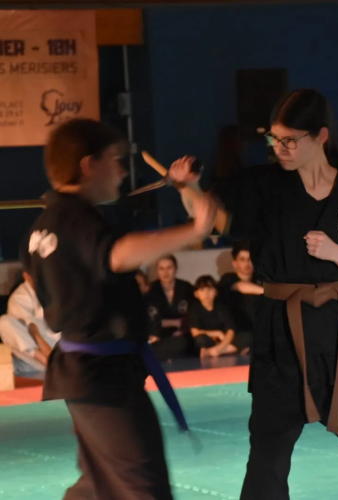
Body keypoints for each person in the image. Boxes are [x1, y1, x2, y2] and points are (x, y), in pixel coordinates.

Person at [170, 89, 338, 500]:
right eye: (274, 138)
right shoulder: (263, 186)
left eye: (289, 140)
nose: (279, 148)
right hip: (282, 334)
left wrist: (337, 253)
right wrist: (189, 188)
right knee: (266, 464)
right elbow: (214, 220)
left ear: (321, 136)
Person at [21, 118, 216, 500]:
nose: (123, 172)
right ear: (89, 165)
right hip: (102, 377)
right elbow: (117, 254)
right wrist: (194, 230)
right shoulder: (77, 218)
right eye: (115, 160)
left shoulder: (42, 226)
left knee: (98, 486)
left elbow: (44, 277)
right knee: (143, 489)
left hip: (86, 372)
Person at [0, 269, 60, 374]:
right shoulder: (18, 298)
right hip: (36, 359)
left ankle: (56, 364)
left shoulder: (60, 290)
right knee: (4, 323)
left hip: (63, 353)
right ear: (26, 276)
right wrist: (48, 356)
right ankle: (50, 363)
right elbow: (32, 331)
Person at [146, 255, 194, 361]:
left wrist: (182, 325)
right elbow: (150, 319)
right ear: (157, 271)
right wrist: (175, 322)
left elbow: (195, 314)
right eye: (161, 269)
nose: (165, 272)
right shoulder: (151, 290)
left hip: (183, 335)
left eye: (169, 268)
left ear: (175, 269)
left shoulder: (186, 288)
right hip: (159, 336)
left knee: (184, 342)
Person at [218, 240, 262, 354]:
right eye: (242, 259)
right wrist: (269, 292)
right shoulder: (228, 279)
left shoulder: (261, 280)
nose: (247, 263)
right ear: (235, 263)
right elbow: (241, 287)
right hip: (237, 331)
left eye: (250, 259)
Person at [188, 275, 238, 358]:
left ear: (216, 292)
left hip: (223, 340)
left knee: (245, 338)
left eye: (210, 289)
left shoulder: (222, 308)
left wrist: (220, 348)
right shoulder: (194, 309)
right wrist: (217, 333)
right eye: (202, 290)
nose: (206, 293)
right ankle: (228, 350)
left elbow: (230, 330)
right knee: (200, 340)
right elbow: (195, 332)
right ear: (196, 294)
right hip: (208, 339)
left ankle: (212, 352)